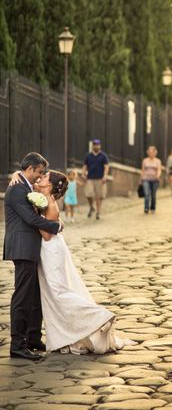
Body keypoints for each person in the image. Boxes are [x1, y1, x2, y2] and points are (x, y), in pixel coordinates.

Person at [8, 168, 133, 355]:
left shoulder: (49, 204)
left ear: (50, 185)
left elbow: (46, 236)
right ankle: (61, 334)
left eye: (45, 177)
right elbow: (26, 177)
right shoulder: (39, 193)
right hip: (50, 249)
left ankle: (99, 316)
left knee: (58, 291)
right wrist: (17, 173)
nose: (41, 177)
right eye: (41, 174)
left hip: (51, 250)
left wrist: (39, 219)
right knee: (53, 293)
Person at [4, 153, 62, 360]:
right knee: (22, 297)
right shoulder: (18, 188)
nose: (40, 176)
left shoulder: (24, 184)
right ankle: (17, 345)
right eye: (38, 172)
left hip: (31, 248)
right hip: (22, 247)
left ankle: (33, 338)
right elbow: (30, 218)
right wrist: (56, 226)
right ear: (29, 169)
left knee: (35, 296)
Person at [82, 139, 109, 220]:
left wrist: (105, 176)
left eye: (97, 145)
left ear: (100, 146)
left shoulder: (103, 156)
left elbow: (106, 166)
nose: (96, 146)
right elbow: (85, 166)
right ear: (92, 146)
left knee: (99, 196)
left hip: (100, 178)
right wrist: (83, 173)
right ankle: (91, 207)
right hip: (90, 178)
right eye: (94, 145)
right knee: (88, 194)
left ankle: (98, 212)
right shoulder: (88, 156)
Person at [140, 146, 162, 214]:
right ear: (148, 152)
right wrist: (141, 179)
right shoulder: (145, 160)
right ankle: (146, 208)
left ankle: (152, 207)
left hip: (155, 180)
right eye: (150, 152)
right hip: (146, 179)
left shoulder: (158, 161)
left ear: (155, 153)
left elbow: (159, 170)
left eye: (152, 152)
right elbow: (142, 170)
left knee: (153, 194)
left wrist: (158, 175)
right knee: (146, 194)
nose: (151, 153)